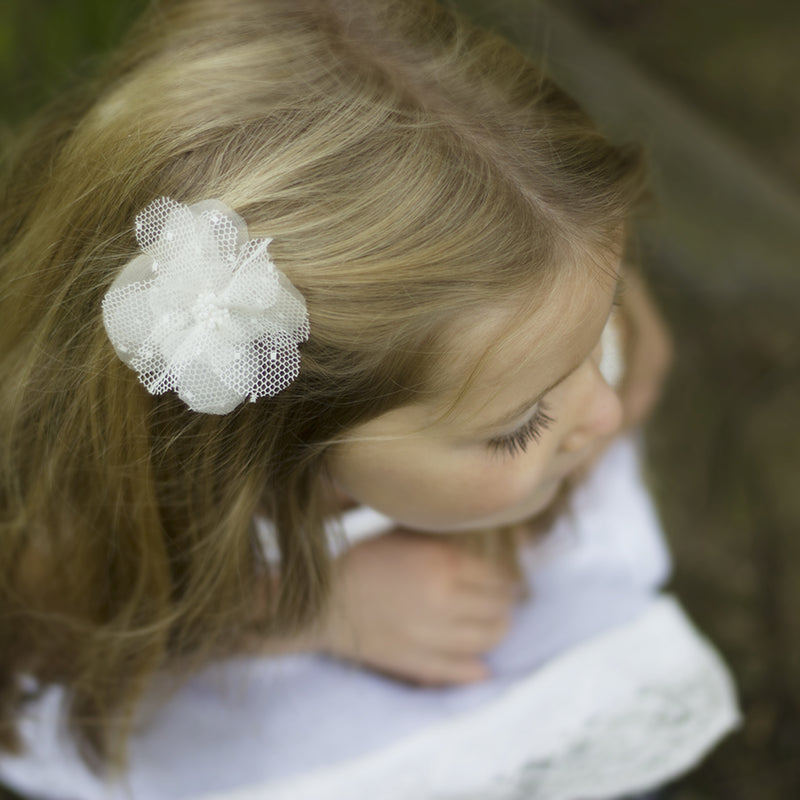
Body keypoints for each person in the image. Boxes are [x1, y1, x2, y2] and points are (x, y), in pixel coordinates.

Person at [0, 0, 739, 797]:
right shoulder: (93, 513)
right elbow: (77, 619)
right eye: (517, 426)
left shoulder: (522, 291)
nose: (606, 414)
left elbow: (608, 324)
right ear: (275, 438)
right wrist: (311, 611)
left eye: (591, 341)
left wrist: (613, 334)